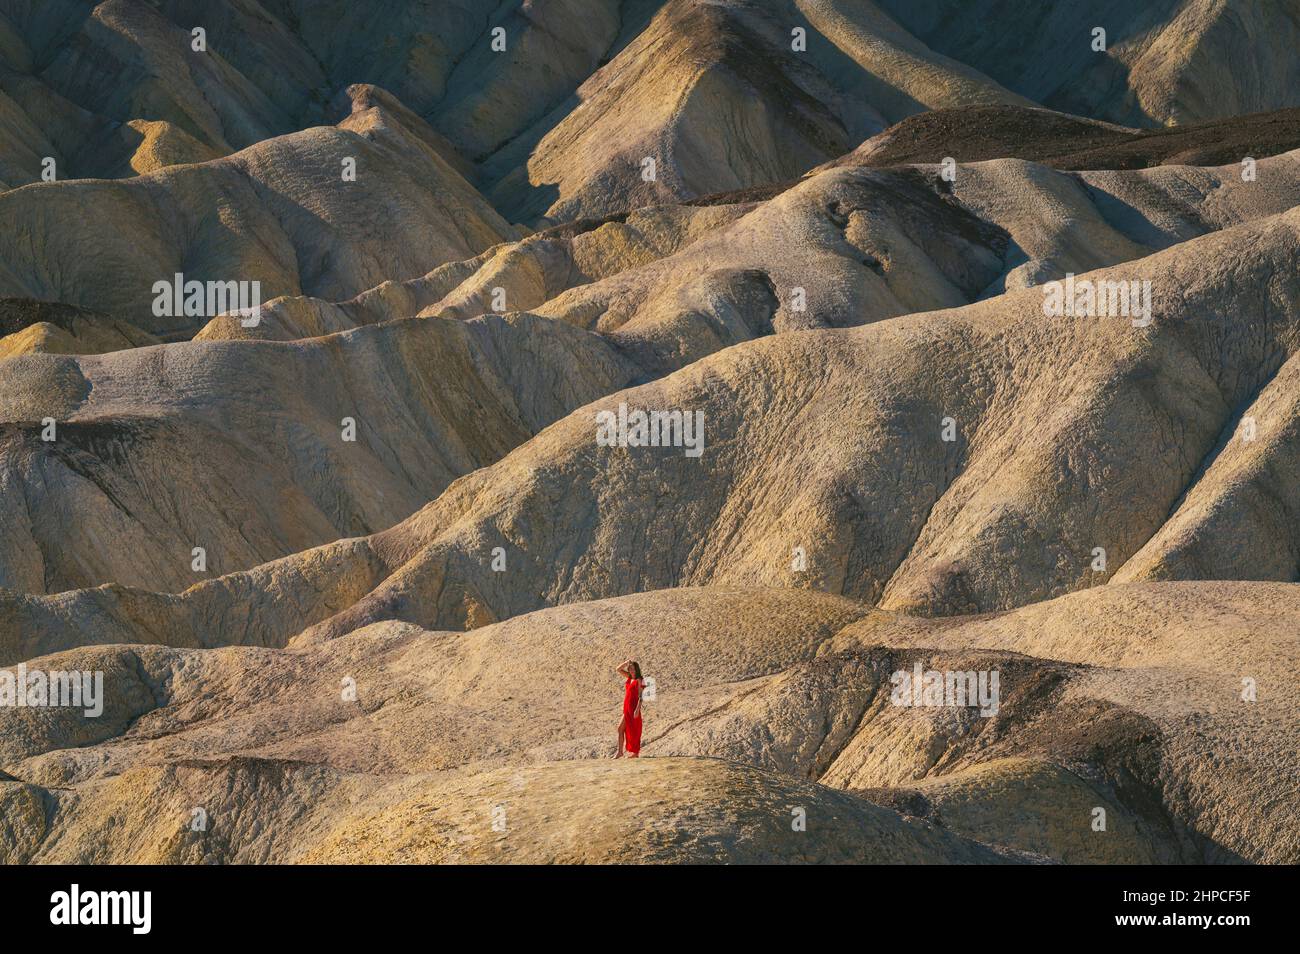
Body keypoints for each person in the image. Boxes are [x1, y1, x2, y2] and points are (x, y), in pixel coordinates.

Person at [613, 660, 643, 758]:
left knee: (634, 730)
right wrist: (626, 663)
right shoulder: (629, 677)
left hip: (634, 708)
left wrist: (637, 709)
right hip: (626, 708)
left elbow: (641, 696)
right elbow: (618, 669)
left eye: (633, 668)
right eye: (630, 669)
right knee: (620, 728)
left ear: (636, 669)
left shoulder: (639, 679)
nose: (631, 670)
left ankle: (635, 753)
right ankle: (620, 752)